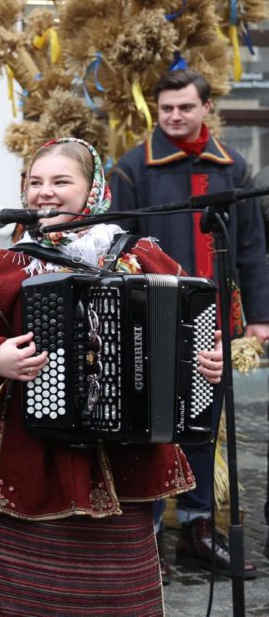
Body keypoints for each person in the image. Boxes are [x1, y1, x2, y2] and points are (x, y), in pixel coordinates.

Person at [0, 137, 223, 615]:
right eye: (35, 182)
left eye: (61, 181)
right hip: (38, 453)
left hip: (129, 460)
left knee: (117, 594)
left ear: (93, 190)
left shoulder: (142, 256)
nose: (45, 192)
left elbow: (191, 324)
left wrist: (204, 362)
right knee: (26, 594)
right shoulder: (11, 263)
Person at [110, 68, 268, 578]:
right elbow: (118, 243)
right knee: (151, 428)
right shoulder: (134, 168)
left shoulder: (232, 168)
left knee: (202, 425)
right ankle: (148, 534)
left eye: (185, 107)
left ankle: (198, 529)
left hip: (212, 319)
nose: (175, 116)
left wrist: (260, 318)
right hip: (149, 317)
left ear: (205, 108)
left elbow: (251, 249)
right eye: (166, 109)